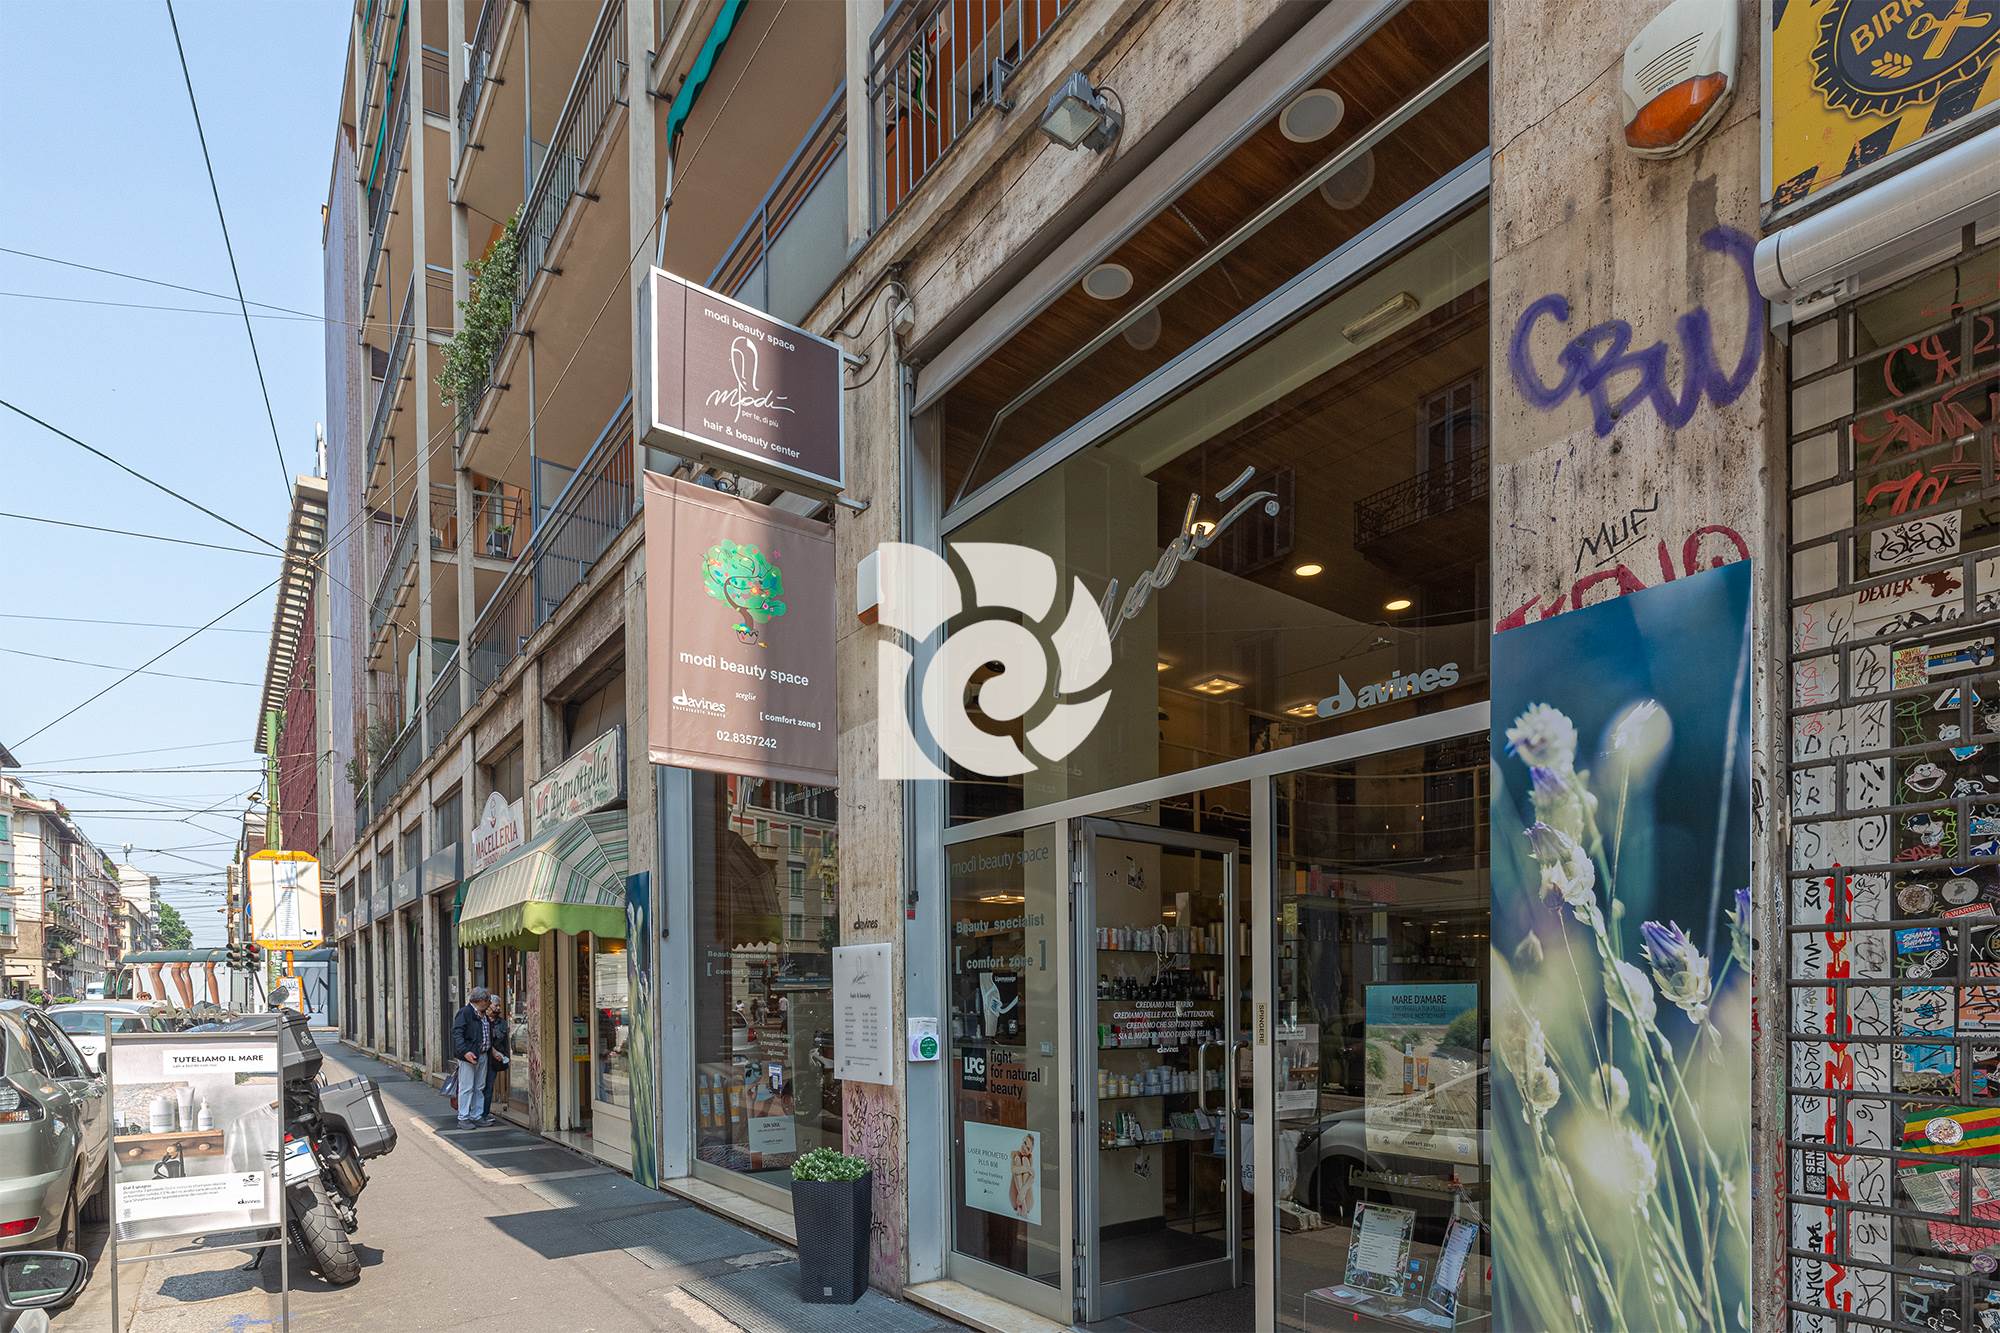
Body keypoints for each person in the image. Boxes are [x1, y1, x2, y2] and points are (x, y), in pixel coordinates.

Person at [451, 987, 497, 1127]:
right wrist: (465, 1052)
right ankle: (463, 1117)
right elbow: (457, 1034)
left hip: (482, 1054)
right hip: (469, 1056)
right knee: (467, 1087)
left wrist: (492, 1050)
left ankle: (476, 1115)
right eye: (488, 1000)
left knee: (479, 1087)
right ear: (481, 1000)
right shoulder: (465, 1013)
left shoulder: (483, 1015)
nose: (489, 1003)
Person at [479, 993, 511, 1121]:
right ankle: (474, 1112)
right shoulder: (481, 1020)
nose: (498, 1008)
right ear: (488, 1005)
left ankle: (484, 1114)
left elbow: (505, 1043)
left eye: (499, 1006)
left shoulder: (502, 1023)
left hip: (493, 1061)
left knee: (489, 1087)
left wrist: (505, 1057)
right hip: (480, 1058)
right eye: (495, 1005)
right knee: (478, 1086)